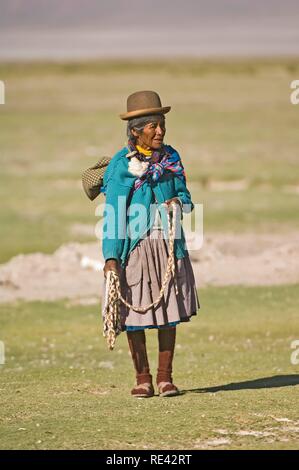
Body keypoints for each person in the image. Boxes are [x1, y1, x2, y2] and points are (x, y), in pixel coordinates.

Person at [101, 90, 200, 398]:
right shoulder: (121, 165)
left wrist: (178, 203)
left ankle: (166, 378)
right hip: (137, 250)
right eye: (153, 126)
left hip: (169, 247)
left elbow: (186, 196)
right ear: (135, 130)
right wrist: (111, 257)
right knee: (135, 317)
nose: (160, 131)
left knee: (169, 310)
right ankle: (142, 378)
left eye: (162, 124)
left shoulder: (172, 158)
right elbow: (114, 214)